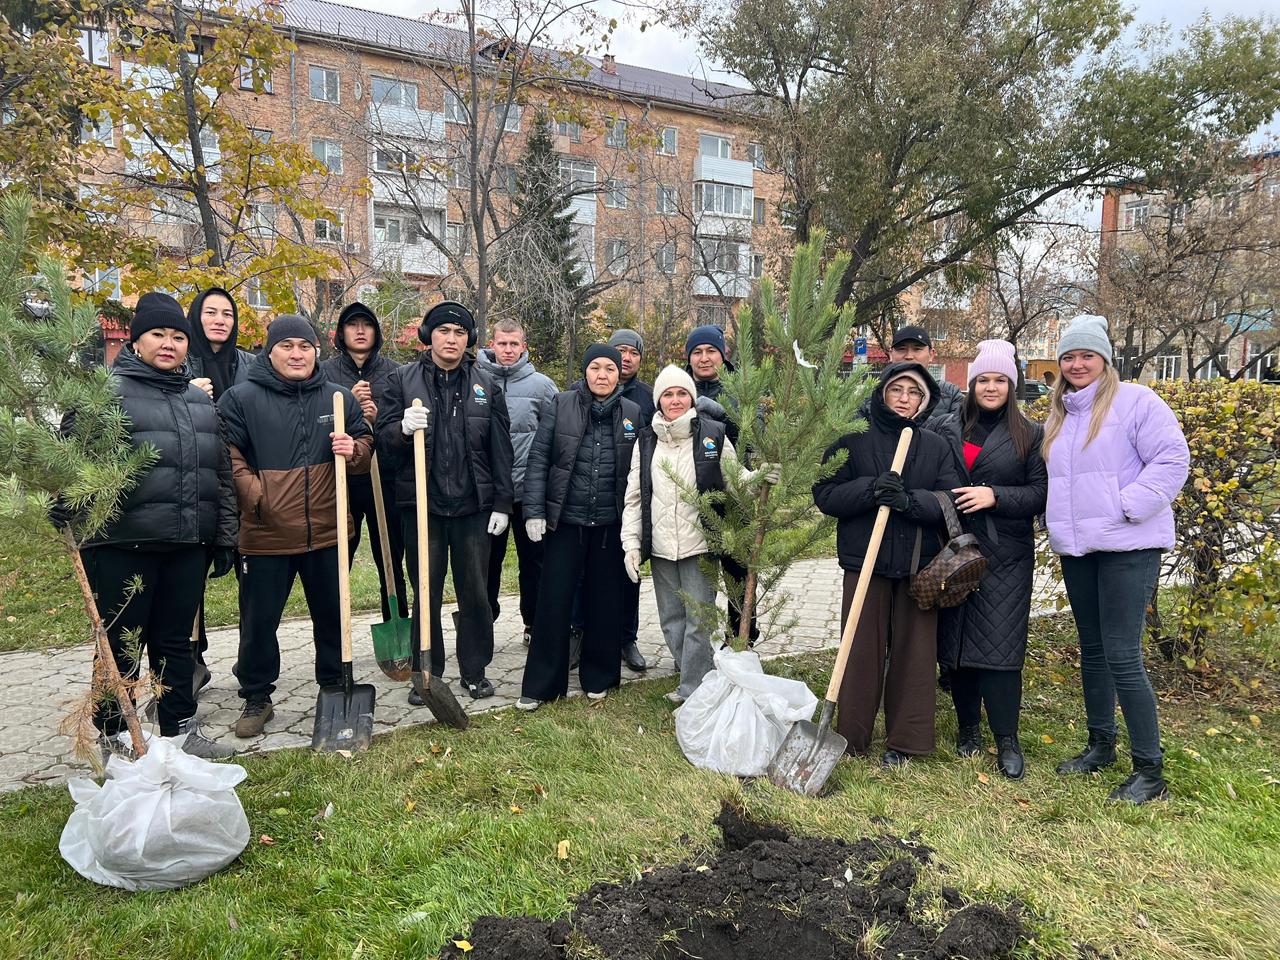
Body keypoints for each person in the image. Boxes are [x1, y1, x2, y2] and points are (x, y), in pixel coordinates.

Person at [66, 292, 238, 760]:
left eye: (178, 336)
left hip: (186, 543)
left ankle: (180, 729)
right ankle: (115, 732)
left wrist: (223, 537)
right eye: (158, 334)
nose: (169, 344)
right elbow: (69, 465)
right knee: (120, 643)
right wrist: (68, 510)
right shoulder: (105, 393)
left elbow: (219, 476)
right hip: (122, 542)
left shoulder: (198, 401)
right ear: (136, 341)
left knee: (176, 643)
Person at [1043, 314, 1189, 804]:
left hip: (1130, 544)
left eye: (1087, 355)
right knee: (1094, 649)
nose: (1077, 364)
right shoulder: (1060, 413)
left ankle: (1150, 770)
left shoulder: (1137, 403)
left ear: (1105, 359)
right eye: (1069, 356)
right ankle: (1100, 745)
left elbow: (1172, 459)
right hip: (1080, 549)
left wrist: (1128, 506)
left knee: (1123, 653)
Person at [218, 315, 373, 738]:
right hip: (265, 532)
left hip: (326, 530)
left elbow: (364, 445)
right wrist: (256, 495)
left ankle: (334, 684)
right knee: (259, 620)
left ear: (316, 351)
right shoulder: (241, 399)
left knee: (332, 613)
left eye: (304, 346)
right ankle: (257, 695)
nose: (296, 354)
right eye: (286, 346)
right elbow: (226, 452)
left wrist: (354, 448)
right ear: (270, 352)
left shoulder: (338, 397)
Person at [813, 362, 961, 766]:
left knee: (915, 653)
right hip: (866, 562)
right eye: (897, 390)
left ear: (923, 400)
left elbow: (951, 499)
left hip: (919, 564)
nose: (904, 398)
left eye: (914, 393)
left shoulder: (934, 445)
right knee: (859, 650)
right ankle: (851, 736)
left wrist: (911, 502)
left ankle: (907, 741)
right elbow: (824, 493)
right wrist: (869, 490)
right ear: (882, 393)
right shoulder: (854, 439)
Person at [376, 301, 514, 702]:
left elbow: (501, 450)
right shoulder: (402, 381)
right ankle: (427, 671)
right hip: (424, 509)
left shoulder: (487, 386)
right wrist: (401, 429)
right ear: (428, 336)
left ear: (468, 339)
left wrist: (502, 503)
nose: (451, 339)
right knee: (426, 591)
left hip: (473, 509)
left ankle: (474, 670)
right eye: (443, 332)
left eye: (458, 333)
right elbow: (384, 446)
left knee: (475, 592)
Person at [621, 366, 777, 705]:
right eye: (668, 394)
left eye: (681, 394)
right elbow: (635, 496)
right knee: (672, 618)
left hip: (700, 544)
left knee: (698, 619)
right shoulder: (646, 440)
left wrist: (760, 478)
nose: (675, 400)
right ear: (658, 400)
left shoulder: (713, 434)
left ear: (691, 397)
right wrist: (631, 545)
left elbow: (735, 481)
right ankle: (692, 672)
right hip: (661, 547)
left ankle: (693, 689)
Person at [935, 340, 1046, 780]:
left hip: (1006, 555)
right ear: (972, 383)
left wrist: (995, 495)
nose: (992, 387)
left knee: (1001, 647)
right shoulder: (948, 426)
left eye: (1001, 380)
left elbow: (1042, 494)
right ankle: (967, 730)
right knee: (957, 643)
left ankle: (1007, 738)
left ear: (1012, 384)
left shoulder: (1030, 434)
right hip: (952, 549)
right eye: (984, 379)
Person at [517, 343, 640, 710]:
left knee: (605, 603)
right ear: (585, 372)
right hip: (565, 524)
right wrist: (535, 511)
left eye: (610, 369)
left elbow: (638, 475)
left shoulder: (632, 412)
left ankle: (598, 676)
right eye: (595, 368)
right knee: (553, 603)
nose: (602, 375)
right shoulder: (561, 404)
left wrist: (635, 530)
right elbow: (539, 459)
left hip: (608, 525)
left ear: (620, 374)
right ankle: (542, 685)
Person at [184, 286, 256, 690]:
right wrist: (189, 393)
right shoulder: (180, 361)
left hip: (242, 478)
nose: (219, 320)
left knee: (252, 573)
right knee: (191, 578)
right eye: (210, 312)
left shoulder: (249, 363)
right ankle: (192, 659)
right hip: (197, 480)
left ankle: (251, 661)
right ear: (197, 317)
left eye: (227, 314)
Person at [321, 302, 407, 624]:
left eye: (366, 325)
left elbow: (401, 425)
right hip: (342, 479)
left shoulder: (394, 372)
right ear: (341, 333)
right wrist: (350, 408)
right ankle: (335, 637)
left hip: (384, 479)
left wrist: (376, 416)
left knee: (390, 557)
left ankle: (397, 625)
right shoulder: (325, 372)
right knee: (339, 556)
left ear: (376, 333)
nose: (359, 331)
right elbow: (318, 421)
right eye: (352, 325)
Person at [475, 318, 558, 646]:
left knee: (534, 563)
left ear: (524, 346)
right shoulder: (476, 381)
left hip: (528, 492)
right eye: (502, 344)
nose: (508, 350)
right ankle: (483, 623)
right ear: (491, 345)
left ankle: (533, 624)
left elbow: (556, 437)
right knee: (485, 564)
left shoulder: (542, 386)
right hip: (490, 493)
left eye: (514, 344)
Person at [683, 324, 758, 647]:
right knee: (698, 572)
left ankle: (742, 636)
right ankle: (697, 642)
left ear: (722, 354)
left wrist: (724, 418)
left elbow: (756, 434)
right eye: (696, 352)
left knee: (738, 570)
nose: (703, 358)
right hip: (693, 493)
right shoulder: (680, 387)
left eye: (710, 351)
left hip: (735, 496)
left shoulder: (740, 388)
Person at [883, 325, 965, 426]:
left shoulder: (951, 395)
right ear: (890, 354)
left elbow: (956, 433)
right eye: (901, 349)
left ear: (931, 354)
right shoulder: (871, 393)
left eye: (917, 349)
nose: (909, 356)